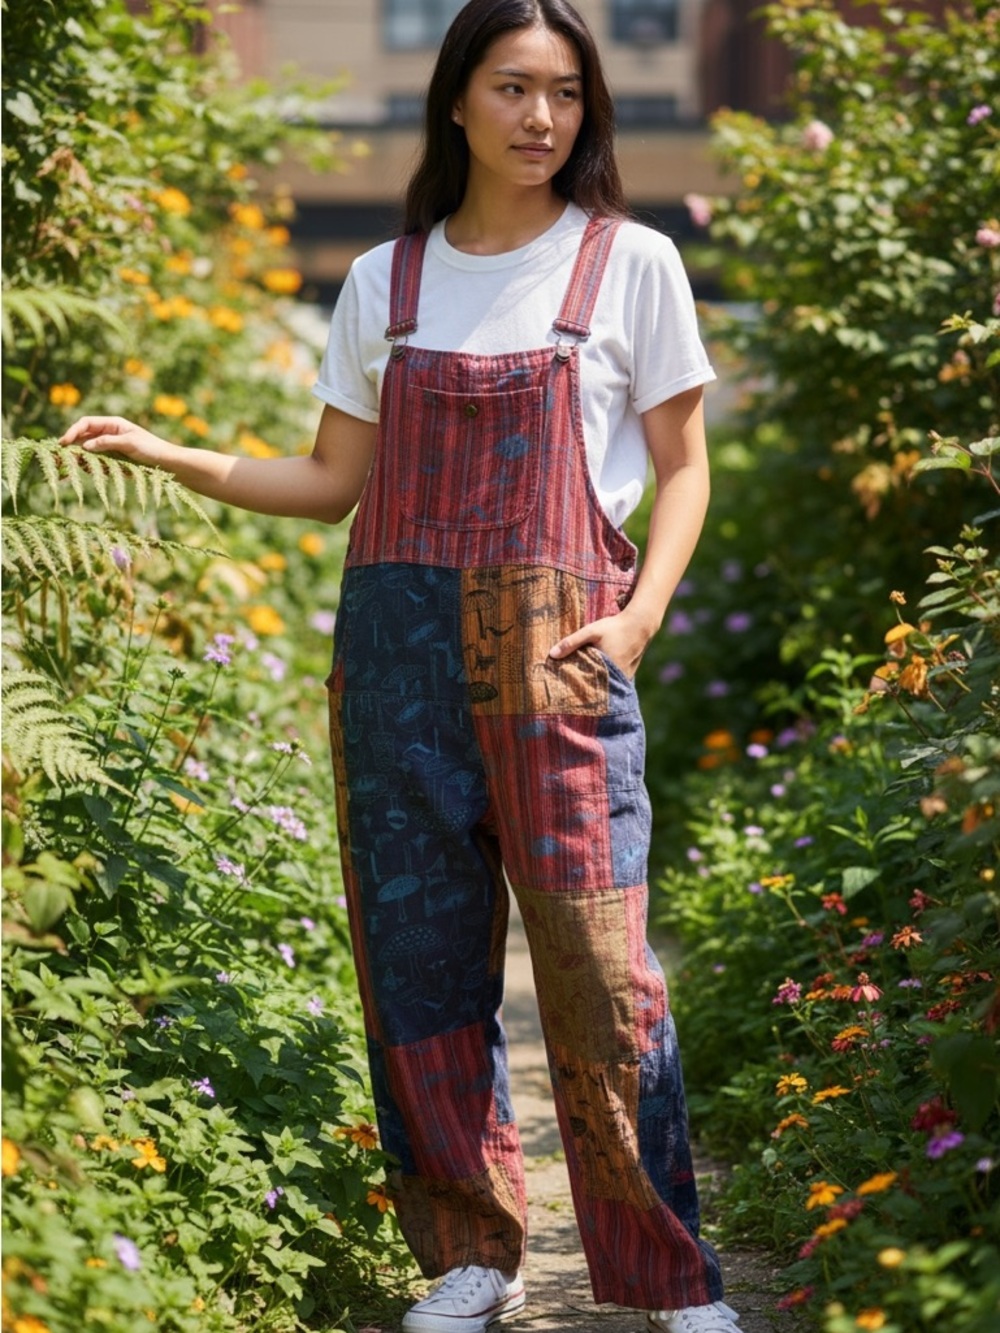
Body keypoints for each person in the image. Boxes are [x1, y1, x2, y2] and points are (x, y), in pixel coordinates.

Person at [60, 2, 744, 1330]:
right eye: (512, 88)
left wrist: (645, 615)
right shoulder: (392, 280)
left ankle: (669, 1277)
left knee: (606, 972)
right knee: (419, 962)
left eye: (564, 93)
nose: (541, 118)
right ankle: (472, 1250)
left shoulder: (631, 262)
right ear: (457, 102)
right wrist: (168, 452)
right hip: (397, 671)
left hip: (566, 662)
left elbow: (682, 469)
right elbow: (331, 483)